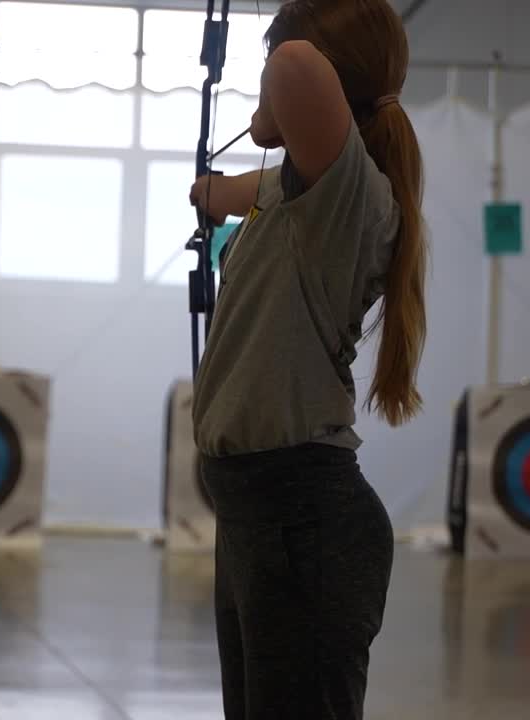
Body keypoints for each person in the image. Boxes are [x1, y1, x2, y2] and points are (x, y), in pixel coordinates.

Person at [187, 1, 426, 718]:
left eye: (270, 67)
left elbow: (294, 67)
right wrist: (207, 194)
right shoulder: (295, 194)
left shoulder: (349, 197)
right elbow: (219, 194)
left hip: (305, 521)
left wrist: (273, 83)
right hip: (260, 518)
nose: (267, 80)